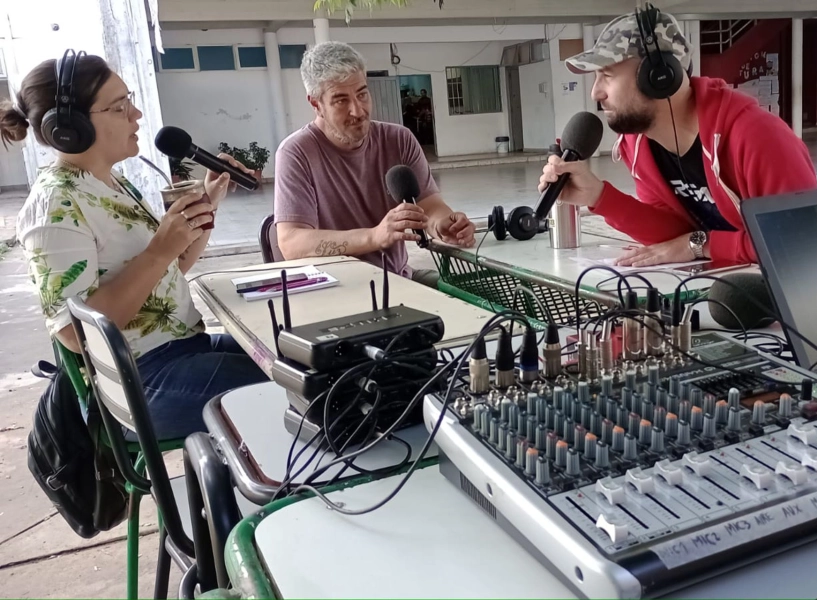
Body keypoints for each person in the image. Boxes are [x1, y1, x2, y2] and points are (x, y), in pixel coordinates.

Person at [1, 50, 268, 440]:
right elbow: (76, 334)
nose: (136, 114)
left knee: (309, 362)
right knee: (309, 392)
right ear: (69, 127)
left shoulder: (112, 183)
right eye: (119, 107)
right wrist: (158, 251)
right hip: (138, 382)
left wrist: (208, 205)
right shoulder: (54, 206)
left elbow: (169, 270)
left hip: (183, 348)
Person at [539, 4, 817, 267]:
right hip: (722, 282)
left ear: (658, 75)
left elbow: (802, 241)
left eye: (607, 75)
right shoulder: (638, 145)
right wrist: (598, 196)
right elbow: (673, 235)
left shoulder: (757, 137)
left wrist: (701, 245)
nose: (595, 93)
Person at [274, 42, 475, 288]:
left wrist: (443, 225)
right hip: (335, 292)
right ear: (316, 104)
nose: (357, 111)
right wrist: (373, 236)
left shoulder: (399, 139)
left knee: (477, 298)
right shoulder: (296, 153)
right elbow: (292, 243)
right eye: (341, 100)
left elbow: (430, 206)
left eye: (362, 94)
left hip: (399, 280)